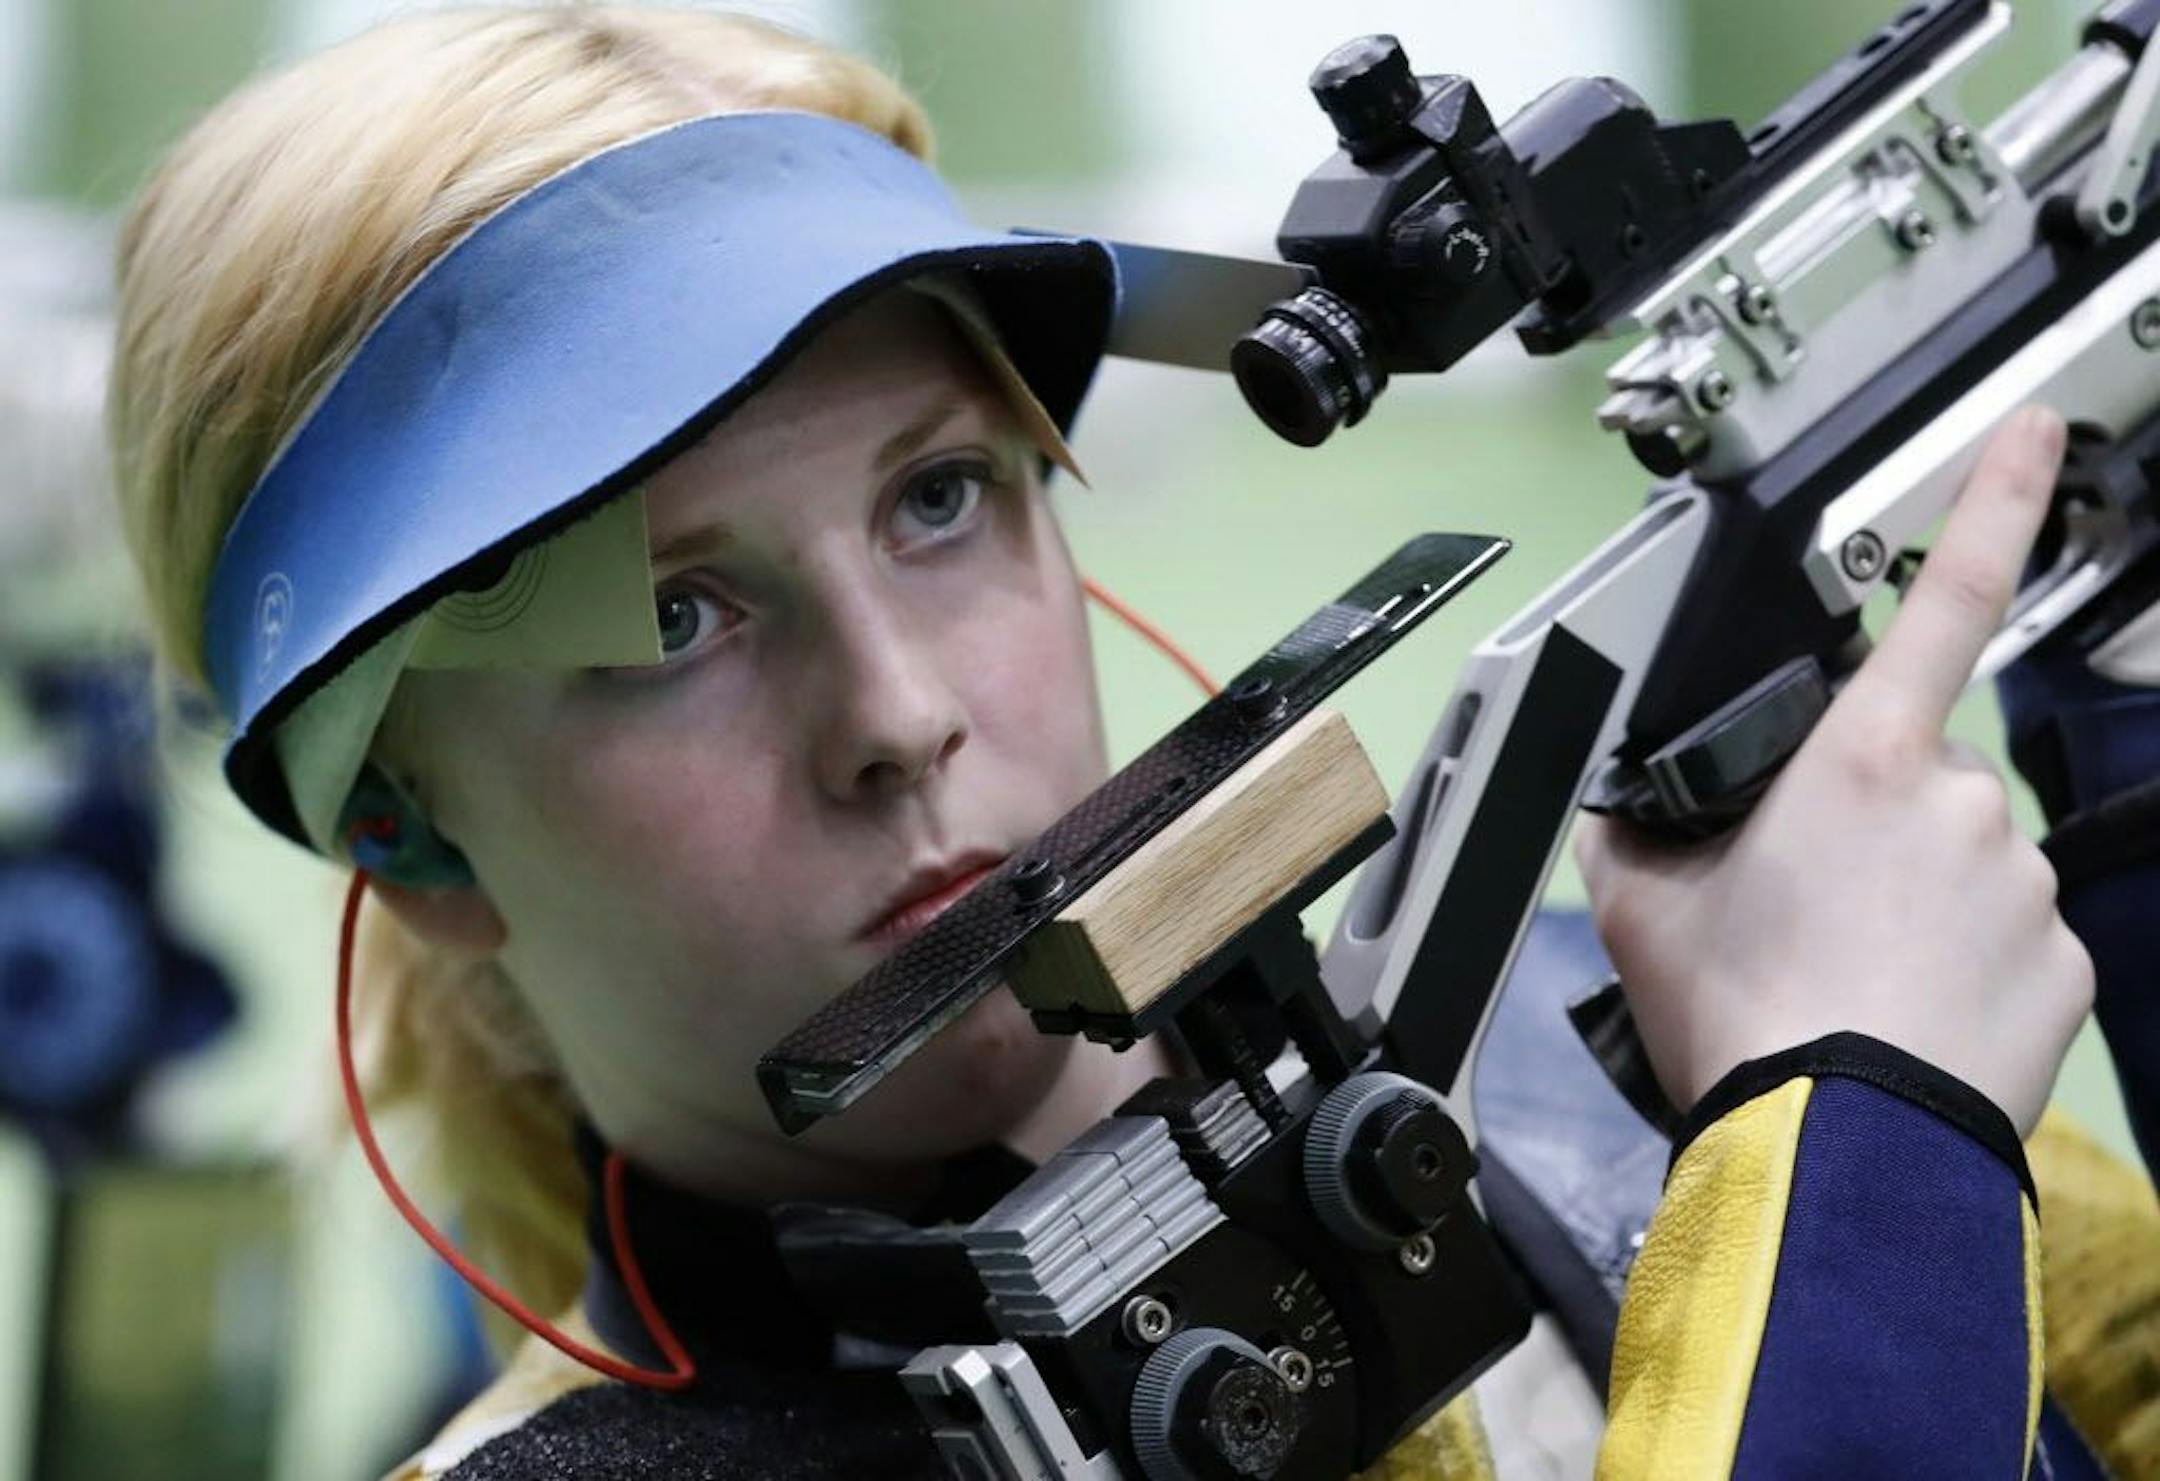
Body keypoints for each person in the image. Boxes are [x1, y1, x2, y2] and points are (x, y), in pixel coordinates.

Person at [103, 8, 2154, 1478]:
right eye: (671, 618)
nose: (902, 716)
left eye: (941, 498)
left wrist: (2127, 739)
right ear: (406, 837)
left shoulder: (1591, 1042)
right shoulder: (1804, 1096)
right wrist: (1869, 1166)